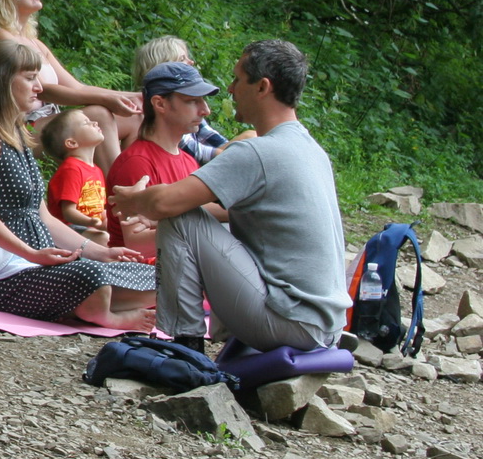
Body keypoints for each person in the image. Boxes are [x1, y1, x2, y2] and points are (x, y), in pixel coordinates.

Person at [111, 41, 347, 354]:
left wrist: (133, 200)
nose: (231, 89)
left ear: (262, 87)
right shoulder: (309, 148)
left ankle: (187, 348)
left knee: (179, 217)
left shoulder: (258, 152)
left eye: (238, 79)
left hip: (291, 322)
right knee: (196, 218)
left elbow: (165, 203)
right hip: (326, 324)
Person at [0, 39, 156, 329]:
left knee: (158, 277)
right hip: (5, 264)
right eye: (30, 78)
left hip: (44, 258)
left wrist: (101, 252)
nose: (39, 87)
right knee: (92, 277)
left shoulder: (17, 134)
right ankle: (103, 313)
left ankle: (87, 304)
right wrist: (32, 254)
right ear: (3, 81)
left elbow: (44, 218)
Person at [0, 0, 140, 170]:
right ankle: (119, 187)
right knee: (99, 114)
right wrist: (105, 99)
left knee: (136, 116)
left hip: (49, 121)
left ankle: (138, 181)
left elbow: (78, 88)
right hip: (20, 127)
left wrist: (135, 97)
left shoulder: (36, 44)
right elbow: (43, 91)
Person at [105, 62, 226, 259]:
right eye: (192, 101)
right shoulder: (136, 162)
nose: (205, 110)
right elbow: (136, 244)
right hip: (145, 273)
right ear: (160, 104)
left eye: (203, 100)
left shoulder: (188, 160)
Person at [131, 35, 249, 163]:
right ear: (163, 67)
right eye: (182, 59)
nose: (191, 62)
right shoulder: (162, 117)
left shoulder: (188, 113)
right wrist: (245, 140)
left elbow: (216, 142)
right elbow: (202, 153)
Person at [40, 109, 109, 241]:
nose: (95, 123)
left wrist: (109, 220)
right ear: (71, 143)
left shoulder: (96, 170)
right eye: (86, 123)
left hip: (90, 227)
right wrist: (91, 222)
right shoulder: (71, 169)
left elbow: (99, 209)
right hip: (67, 230)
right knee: (103, 238)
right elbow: (68, 213)